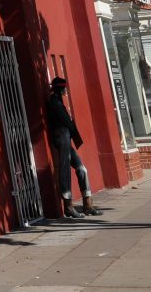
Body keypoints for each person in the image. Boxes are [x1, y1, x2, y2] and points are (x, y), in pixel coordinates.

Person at [45, 76, 98, 217]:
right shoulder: (54, 102)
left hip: (66, 135)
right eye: (64, 88)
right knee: (65, 169)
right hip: (61, 136)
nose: (65, 91)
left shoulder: (58, 101)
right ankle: (68, 205)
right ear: (60, 88)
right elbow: (65, 121)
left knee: (82, 169)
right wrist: (74, 134)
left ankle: (88, 204)